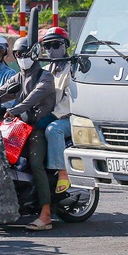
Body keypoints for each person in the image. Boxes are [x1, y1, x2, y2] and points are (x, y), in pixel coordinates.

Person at [0, 38, 57, 230]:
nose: (22, 58)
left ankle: (46, 214)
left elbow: (34, 98)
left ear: (34, 54)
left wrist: (15, 110)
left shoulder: (45, 76)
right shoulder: (19, 77)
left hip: (39, 126)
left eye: (25, 54)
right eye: (18, 55)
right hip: (20, 126)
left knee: (35, 164)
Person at [41, 27, 74, 196]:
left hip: (69, 118)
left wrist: (53, 115)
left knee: (53, 130)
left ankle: (63, 173)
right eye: (47, 46)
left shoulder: (73, 68)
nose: (51, 50)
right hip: (47, 115)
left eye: (55, 45)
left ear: (64, 45)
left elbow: (70, 99)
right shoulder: (45, 70)